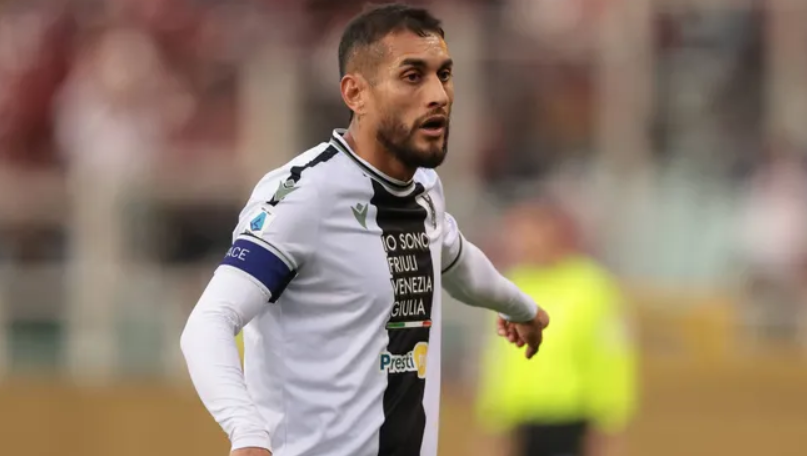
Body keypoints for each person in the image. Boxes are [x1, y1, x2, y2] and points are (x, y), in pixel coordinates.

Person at [179, 4, 550, 456]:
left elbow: (454, 258)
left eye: (444, 74)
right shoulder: (305, 197)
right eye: (412, 76)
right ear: (356, 93)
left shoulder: (424, 189)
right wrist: (248, 433)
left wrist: (520, 307)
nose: (439, 94)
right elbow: (208, 322)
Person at [476, 200, 637, 456]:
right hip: (521, 425)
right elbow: (499, 361)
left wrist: (609, 423)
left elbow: (609, 358)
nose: (522, 242)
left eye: (529, 233)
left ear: (553, 233)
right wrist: (494, 420)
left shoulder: (591, 287)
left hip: (572, 422)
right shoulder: (511, 286)